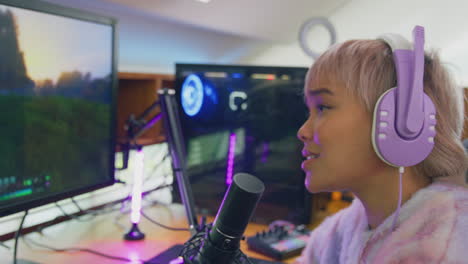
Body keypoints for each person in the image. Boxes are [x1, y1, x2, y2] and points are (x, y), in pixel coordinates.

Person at [295, 28, 468, 264]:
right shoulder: (342, 230)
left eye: (323, 107)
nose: (303, 131)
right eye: (310, 110)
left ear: (402, 123)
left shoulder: (448, 250)